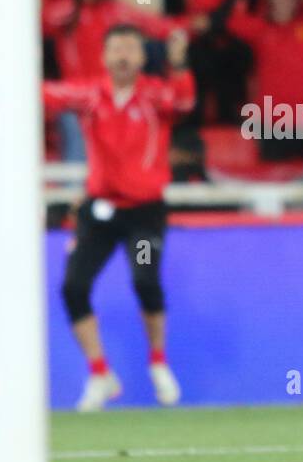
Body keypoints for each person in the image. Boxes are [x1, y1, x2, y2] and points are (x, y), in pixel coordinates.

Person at [42, 26, 195, 412]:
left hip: (143, 214)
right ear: (104, 56)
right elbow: (45, 94)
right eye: (115, 48)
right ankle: (99, 372)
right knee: (73, 288)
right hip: (99, 211)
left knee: (144, 279)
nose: (123, 55)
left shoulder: (157, 95)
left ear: (143, 58)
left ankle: (158, 362)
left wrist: (179, 62)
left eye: (131, 48)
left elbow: (185, 101)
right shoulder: (90, 94)